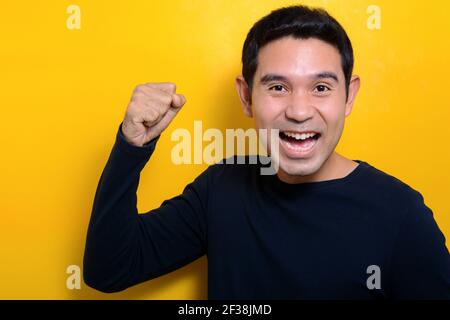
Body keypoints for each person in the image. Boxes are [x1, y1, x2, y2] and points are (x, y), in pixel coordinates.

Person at [83, 5, 450, 299]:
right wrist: (132, 145)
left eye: (321, 87)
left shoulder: (400, 215)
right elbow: (110, 269)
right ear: (246, 96)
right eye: (277, 87)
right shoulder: (220, 189)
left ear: (349, 96)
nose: (299, 110)